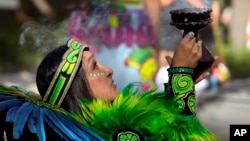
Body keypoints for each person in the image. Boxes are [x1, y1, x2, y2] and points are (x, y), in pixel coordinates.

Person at [0, 32, 219, 140]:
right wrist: (182, 76)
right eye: (94, 65)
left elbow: (163, 131)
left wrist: (182, 83)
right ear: (77, 87)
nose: (109, 70)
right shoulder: (111, 135)